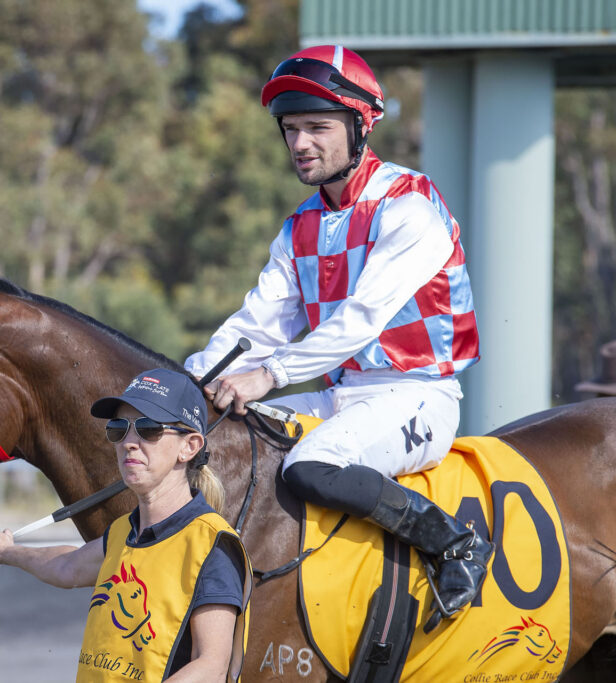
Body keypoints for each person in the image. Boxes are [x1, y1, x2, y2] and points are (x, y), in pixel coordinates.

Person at [184, 45, 490, 631]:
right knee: (220, 437)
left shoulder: (410, 206)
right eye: (291, 129)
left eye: (317, 127)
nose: (300, 143)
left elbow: (359, 321)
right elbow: (255, 326)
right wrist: (188, 382)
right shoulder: (299, 226)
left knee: (310, 466)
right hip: (340, 397)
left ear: (361, 125)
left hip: (419, 396)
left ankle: (455, 544)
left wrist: (269, 375)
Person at [0, 368, 251, 681]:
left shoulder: (213, 545)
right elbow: (68, 566)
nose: (129, 442)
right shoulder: (123, 532)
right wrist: (5, 552)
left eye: (148, 428)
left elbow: (211, 667)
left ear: (190, 446)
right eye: (119, 428)